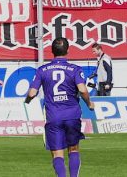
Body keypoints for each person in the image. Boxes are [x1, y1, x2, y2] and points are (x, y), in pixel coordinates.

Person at [25, 37, 95, 177]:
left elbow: (32, 92)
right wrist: (89, 103)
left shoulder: (42, 70)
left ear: (51, 51)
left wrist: (27, 100)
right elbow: (82, 89)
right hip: (72, 115)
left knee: (57, 153)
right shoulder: (74, 69)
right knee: (74, 149)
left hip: (54, 116)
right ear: (67, 50)